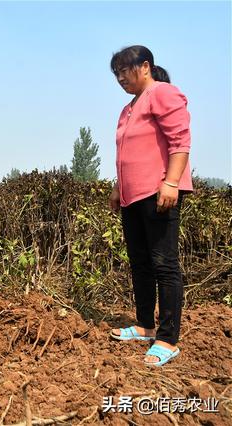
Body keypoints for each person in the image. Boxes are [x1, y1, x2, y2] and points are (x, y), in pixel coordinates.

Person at [107, 46, 192, 367]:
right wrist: (118, 187)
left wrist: (170, 182)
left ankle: (168, 340)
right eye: (115, 74)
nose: (120, 78)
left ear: (145, 66)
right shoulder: (129, 107)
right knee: (140, 262)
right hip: (132, 195)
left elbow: (180, 141)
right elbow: (127, 152)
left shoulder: (163, 93)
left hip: (158, 191)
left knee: (164, 264)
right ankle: (145, 325)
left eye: (124, 71)